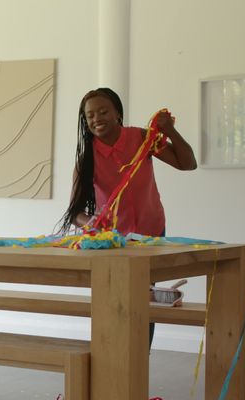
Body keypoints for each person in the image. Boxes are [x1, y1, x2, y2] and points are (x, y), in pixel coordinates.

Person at [61, 87, 197, 345]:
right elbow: (73, 213)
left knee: (145, 300)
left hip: (151, 235)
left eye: (103, 112)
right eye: (90, 115)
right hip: (112, 241)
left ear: (117, 114)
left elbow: (187, 163)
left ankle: (139, 359)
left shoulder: (142, 139)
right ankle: (113, 358)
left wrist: (170, 131)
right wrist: (89, 222)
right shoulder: (86, 157)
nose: (97, 119)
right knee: (114, 300)